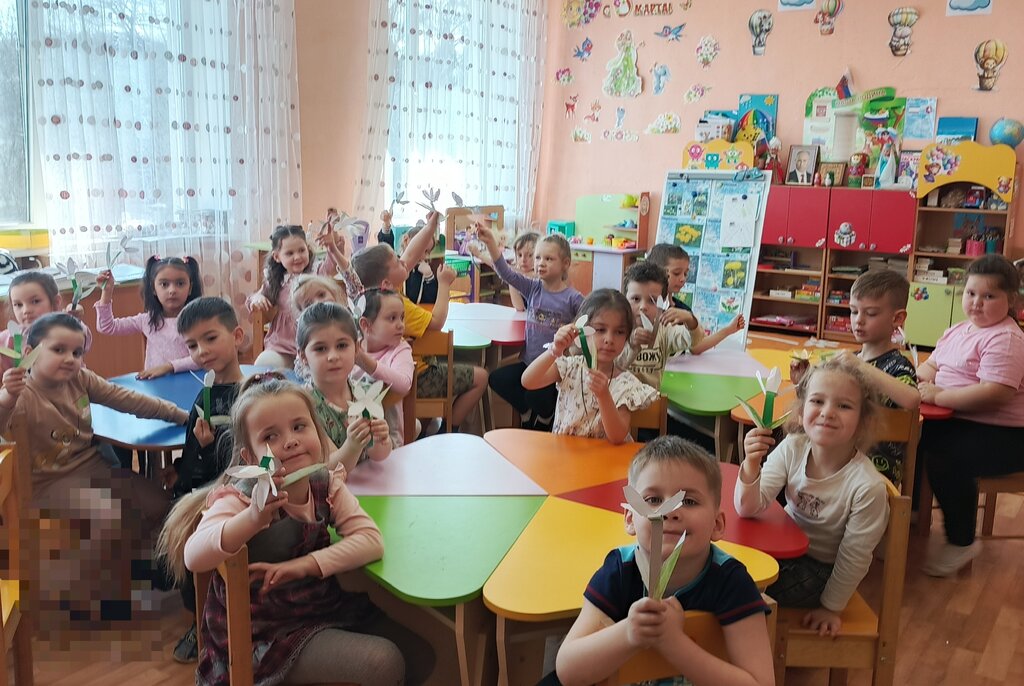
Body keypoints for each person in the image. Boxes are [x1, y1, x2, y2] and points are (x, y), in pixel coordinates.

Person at [159, 374, 433, 685]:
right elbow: (194, 557)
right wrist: (252, 518)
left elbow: (371, 540)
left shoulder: (326, 483)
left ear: (318, 432)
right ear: (250, 457)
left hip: (320, 609)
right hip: (262, 634)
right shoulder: (241, 497)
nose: (290, 441)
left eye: (299, 427)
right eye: (270, 436)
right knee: (384, 662)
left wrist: (302, 566)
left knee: (422, 654)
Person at [0, 313, 187, 624]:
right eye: (58, 350)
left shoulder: (80, 379)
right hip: (47, 483)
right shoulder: (23, 395)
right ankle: (84, 598)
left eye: (77, 352)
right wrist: (7, 395)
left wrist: (181, 415)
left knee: (159, 503)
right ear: (29, 352)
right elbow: (2, 419)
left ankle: (134, 568)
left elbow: (126, 399)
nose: (70, 359)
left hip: (91, 466)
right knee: (108, 521)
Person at [551, 436, 774, 686]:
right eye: (654, 500)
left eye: (688, 501)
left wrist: (674, 644)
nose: (669, 512)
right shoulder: (619, 570)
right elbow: (568, 670)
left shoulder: (731, 581)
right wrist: (629, 632)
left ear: (717, 524)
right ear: (629, 518)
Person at [737, 356, 888, 636]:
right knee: (720, 564)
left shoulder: (867, 487)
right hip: (781, 548)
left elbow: (853, 558)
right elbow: (748, 508)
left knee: (736, 586)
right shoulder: (793, 447)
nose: (828, 412)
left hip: (820, 572)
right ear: (801, 410)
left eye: (844, 406)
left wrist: (831, 608)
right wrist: (751, 464)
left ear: (862, 421)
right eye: (817, 401)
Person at [917, 255, 1024, 576]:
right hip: (960, 421)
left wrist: (939, 395)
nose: (976, 303)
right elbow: (931, 364)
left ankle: (962, 540)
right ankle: (912, 512)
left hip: (1007, 436)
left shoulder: (1006, 338)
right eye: (971, 293)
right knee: (914, 440)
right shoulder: (958, 330)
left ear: (1011, 300)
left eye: (989, 296)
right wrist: (919, 378)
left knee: (945, 457)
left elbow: (995, 393)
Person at [162, 296, 247, 662]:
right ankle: (198, 613)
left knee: (191, 542)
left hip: (226, 492)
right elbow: (193, 442)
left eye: (210, 338)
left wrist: (209, 449)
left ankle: (206, 626)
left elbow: (243, 461)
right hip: (196, 484)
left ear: (237, 336)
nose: (202, 351)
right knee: (174, 555)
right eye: (193, 345)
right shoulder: (206, 392)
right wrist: (182, 466)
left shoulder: (248, 395)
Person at [353, 212, 489, 433]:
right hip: (417, 375)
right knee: (481, 377)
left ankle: (430, 428)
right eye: (397, 262)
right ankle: (448, 430)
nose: (404, 261)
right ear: (386, 282)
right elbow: (436, 322)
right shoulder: (393, 305)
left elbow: (410, 255)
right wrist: (444, 284)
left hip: (403, 373)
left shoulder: (373, 296)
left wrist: (430, 226)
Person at [478, 224, 583, 430]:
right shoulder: (533, 288)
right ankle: (526, 412)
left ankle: (545, 417)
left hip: (553, 370)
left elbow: (590, 317)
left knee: (536, 396)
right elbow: (506, 273)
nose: (540, 263)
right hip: (528, 364)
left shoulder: (573, 298)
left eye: (548, 259)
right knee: (497, 379)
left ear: (565, 264)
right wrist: (490, 243)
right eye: (538, 258)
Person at [522, 289, 657, 444]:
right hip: (565, 454)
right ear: (583, 331)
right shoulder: (570, 367)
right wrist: (555, 350)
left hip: (604, 457)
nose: (609, 339)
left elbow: (617, 436)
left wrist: (604, 395)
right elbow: (528, 381)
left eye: (619, 332)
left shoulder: (626, 384)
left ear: (627, 336)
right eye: (600, 330)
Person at [835, 270, 920, 488]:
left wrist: (860, 367)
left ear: (897, 319)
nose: (858, 321)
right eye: (854, 311)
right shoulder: (852, 359)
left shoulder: (898, 365)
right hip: (840, 458)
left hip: (876, 472)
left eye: (871, 313)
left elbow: (912, 399)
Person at [296, 302, 396, 472]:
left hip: (367, 484)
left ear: (356, 348)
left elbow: (378, 455)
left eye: (342, 346)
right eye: (320, 349)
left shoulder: (366, 393)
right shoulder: (304, 405)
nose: (333, 356)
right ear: (303, 356)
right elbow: (327, 467)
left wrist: (382, 440)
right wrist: (352, 446)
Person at [246, 224, 346, 369]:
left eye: (301, 250)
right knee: (264, 364)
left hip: (315, 344)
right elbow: (257, 296)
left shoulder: (316, 272)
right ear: (277, 257)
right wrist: (257, 298)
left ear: (308, 249)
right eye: (289, 253)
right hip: (283, 347)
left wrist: (334, 247)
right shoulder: (277, 280)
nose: (297, 257)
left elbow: (332, 265)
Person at [95, 255, 203, 378]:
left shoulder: (199, 321)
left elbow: (202, 358)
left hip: (191, 382)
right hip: (155, 384)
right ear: (153, 288)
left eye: (180, 283)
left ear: (190, 288)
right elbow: (106, 327)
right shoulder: (146, 320)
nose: (172, 290)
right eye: (164, 284)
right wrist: (107, 292)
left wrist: (169, 366)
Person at [352, 288, 414, 447]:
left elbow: (404, 384)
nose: (400, 325)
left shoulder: (400, 349)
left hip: (388, 441)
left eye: (401, 318)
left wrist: (366, 362)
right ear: (366, 324)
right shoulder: (350, 347)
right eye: (392, 318)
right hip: (351, 435)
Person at [0, 270, 94, 376]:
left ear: (56, 302)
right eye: (18, 305)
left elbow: (84, 341)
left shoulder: (66, 328)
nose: (26, 310)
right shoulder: (8, 338)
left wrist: (75, 320)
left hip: (71, 385)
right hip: (28, 387)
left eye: (35, 301)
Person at [507, 231, 539, 313]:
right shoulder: (517, 275)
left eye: (530, 255)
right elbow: (519, 307)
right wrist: (512, 280)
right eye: (520, 255)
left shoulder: (542, 277)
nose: (523, 260)